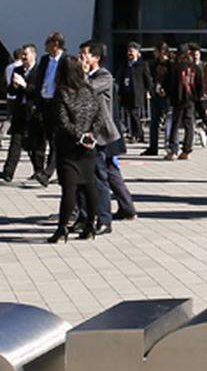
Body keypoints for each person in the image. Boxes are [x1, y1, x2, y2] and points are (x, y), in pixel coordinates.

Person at [47, 52, 105, 243]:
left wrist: (79, 136)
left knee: (69, 189)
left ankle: (62, 228)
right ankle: (90, 225)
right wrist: (91, 136)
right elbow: (100, 116)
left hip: (69, 146)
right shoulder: (89, 90)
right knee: (89, 186)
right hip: (88, 147)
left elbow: (62, 122)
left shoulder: (62, 92)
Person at [82, 40, 136, 228]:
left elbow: (86, 89)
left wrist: (78, 74)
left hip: (102, 133)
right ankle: (86, 215)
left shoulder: (104, 76)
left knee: (102, 174)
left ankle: (106, 217)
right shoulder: (87, 75)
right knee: (92, 174)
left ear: (96, 58)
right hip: (86, 132)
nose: (82, 58)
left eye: (85, 54)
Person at [28, 32, 70, 185]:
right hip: (44, 103)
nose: (45, 45)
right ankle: (51, 171)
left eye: (48, 42)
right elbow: (40, 81)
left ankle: (47, 173)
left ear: (56, 44)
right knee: (44, 139)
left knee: (56, 141)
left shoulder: (67, 61)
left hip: (57, 104)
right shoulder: (45, 60)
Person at [0, 46, 40, 183]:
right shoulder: (18, 70)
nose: (23, 57)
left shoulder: (39, 71)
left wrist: (24, 85)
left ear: (33, 55)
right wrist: (14, 86)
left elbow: (37, 92)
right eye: (22, 55)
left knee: (34, 144)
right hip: (19, 110)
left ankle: (39, 171)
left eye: (26, 54)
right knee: (15, 142)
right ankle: (8, 172)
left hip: (33, 112)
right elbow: (11, 91)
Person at [163, 45, 199, 160]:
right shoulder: (195, 67)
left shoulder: (175, 67)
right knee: (189, 125)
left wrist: (168, 94)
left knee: (176, 124)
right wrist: (197, 96)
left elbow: (169, 83)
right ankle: (186, 150)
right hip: (190, 99)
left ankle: (173, 150)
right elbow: (200, 84)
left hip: (178, 99)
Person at [143, 43, 173, 157]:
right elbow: (150, 78)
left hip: (166, 96)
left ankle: (169, 146)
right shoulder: (153, 64)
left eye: (156, 51)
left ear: (162, 52)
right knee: (154, 122)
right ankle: (153, 147)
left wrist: (167, 90)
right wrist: (151, 90)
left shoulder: (170, 64)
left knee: (169, 122)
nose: (154, 53)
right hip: (155, 95)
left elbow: (172, 79)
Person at [118, 43, 146, 151]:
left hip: (136, 93)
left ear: (138, 53)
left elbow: (146, 78)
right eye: (129, 51)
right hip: (126, 93)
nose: (130, 53)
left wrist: (148, 91)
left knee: (134, 114)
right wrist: (119, 92)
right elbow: (120, 78)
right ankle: (134, 133)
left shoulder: (142, 64)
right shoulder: (125, 64)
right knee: (129, 113)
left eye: (132, 51)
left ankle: (139, 134)